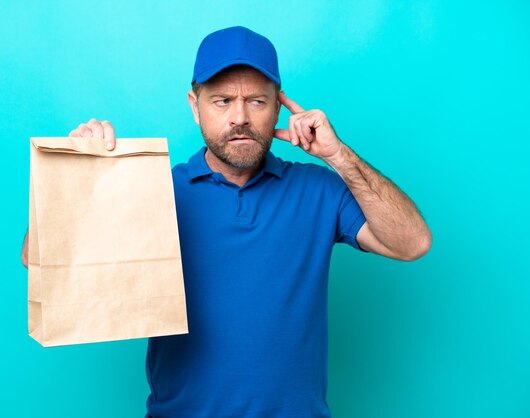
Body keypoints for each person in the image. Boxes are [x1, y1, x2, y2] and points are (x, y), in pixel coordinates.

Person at [22, 26, 431, 418]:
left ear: (278, 107)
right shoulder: (154, 187)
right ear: (194, 106)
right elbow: (36, 260)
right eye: (221, 101)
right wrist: (82, 176)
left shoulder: (319, 189)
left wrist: (338, 155)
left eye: (256, 101)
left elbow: (412, 243)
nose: (240, 117)